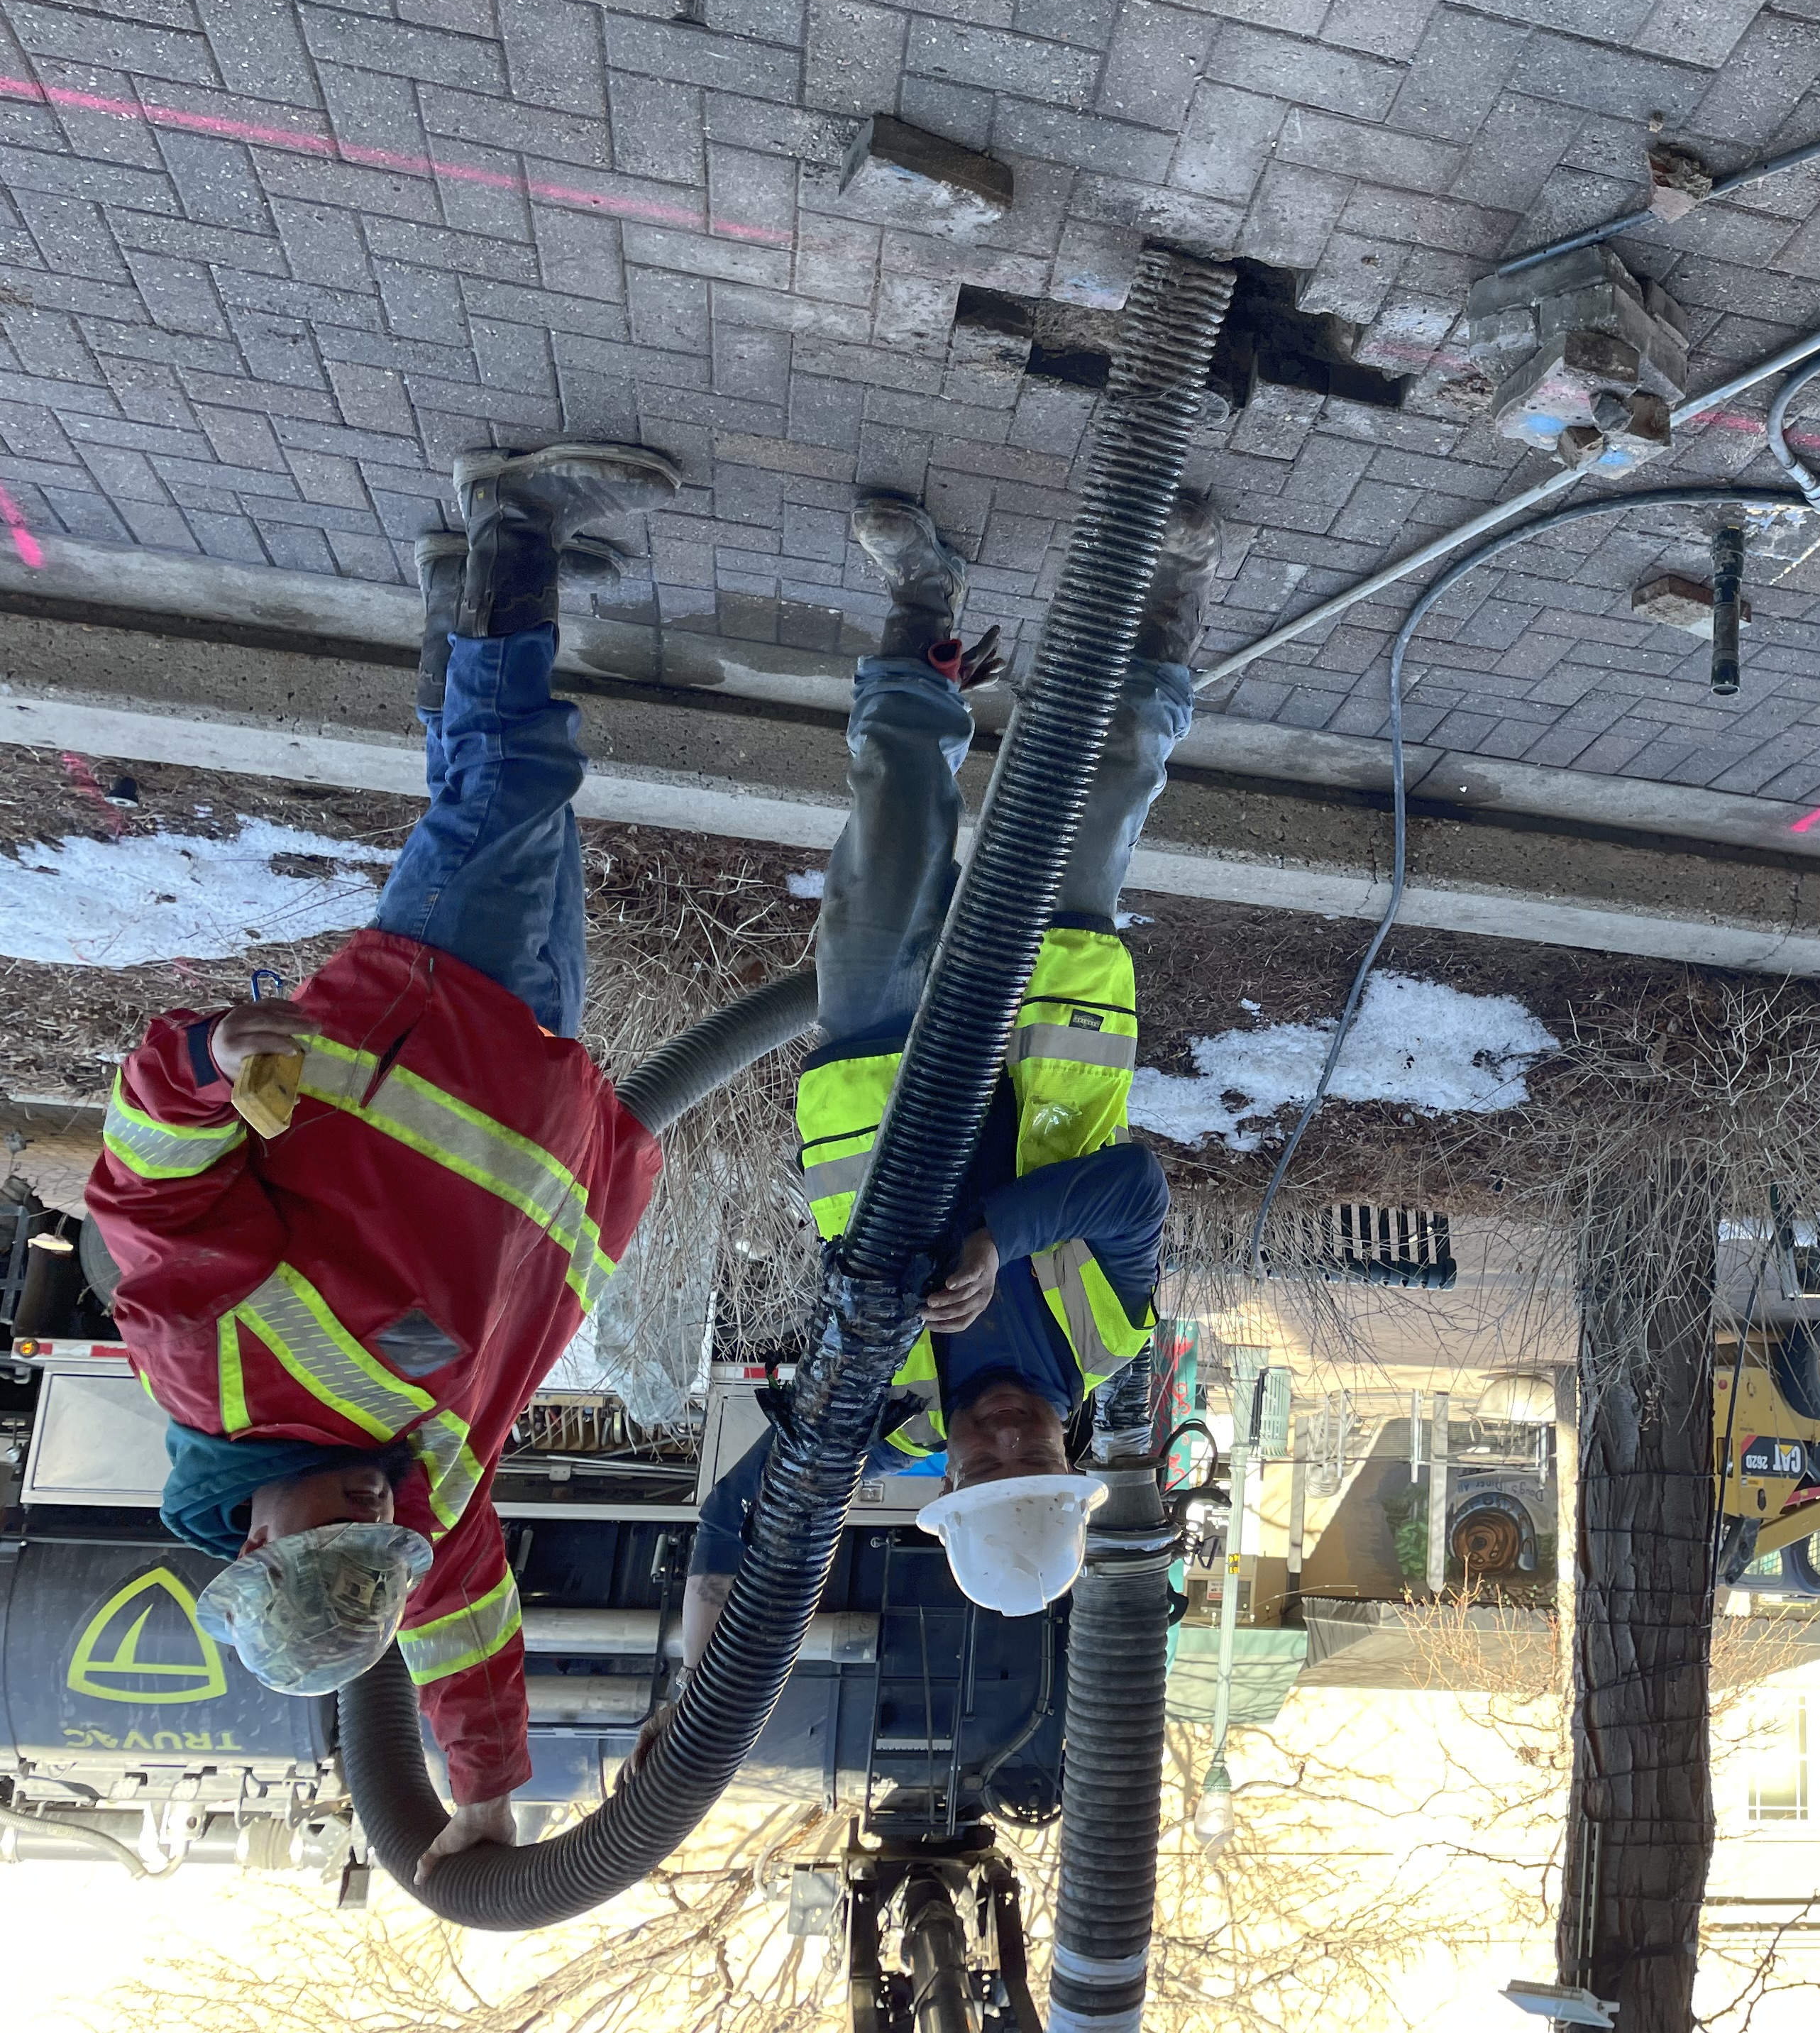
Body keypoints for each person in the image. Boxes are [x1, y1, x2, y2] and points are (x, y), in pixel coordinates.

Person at [86, 443, 681, 1879]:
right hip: (532, 1070)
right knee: (505, 793)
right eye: (376, 1549)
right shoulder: (404, 1505)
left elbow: (145, 1193)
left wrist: (200, 1069)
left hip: (423, 1022)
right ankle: (464, 604)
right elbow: (461, 1621)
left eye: (334, 1537)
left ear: (252, 1546)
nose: (370, 1521)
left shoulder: (214, 1371)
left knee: (511, 783)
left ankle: (513, 526)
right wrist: (483, 1789)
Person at [669, 486, 1213, 1677]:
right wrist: (993, 1244)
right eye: (1040, 1460)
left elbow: (731, 1521)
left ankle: (925, 599)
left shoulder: (878, 1400)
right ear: (1074, 1457)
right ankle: (1171, 592)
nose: (1011, 1437)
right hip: (1045, 1009)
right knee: (1104, 783)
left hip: (879, 1053)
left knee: (893, 815)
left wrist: (690, 1702)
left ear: (949, 1477)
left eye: (988, 1467)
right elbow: (1129, 1190)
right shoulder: (1106, 1335)